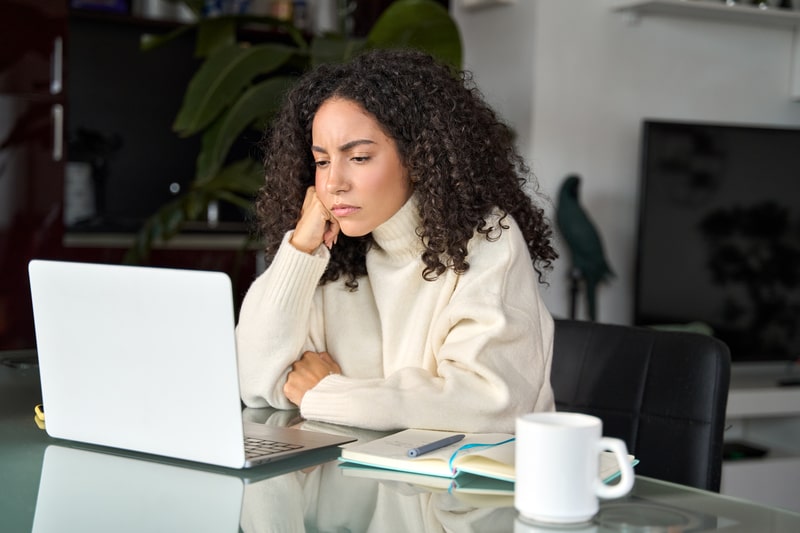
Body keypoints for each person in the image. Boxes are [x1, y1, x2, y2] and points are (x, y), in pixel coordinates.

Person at [236, 48, 557, 432]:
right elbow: (256, 381)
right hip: (365, 480)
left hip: (473, 486)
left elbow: (487, 403)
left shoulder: (486, 240)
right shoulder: (334, 254)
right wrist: (300, 251)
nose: (334, 183)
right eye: (322, 161)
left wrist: (325, 394)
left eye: (358, 158)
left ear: (418, 159)